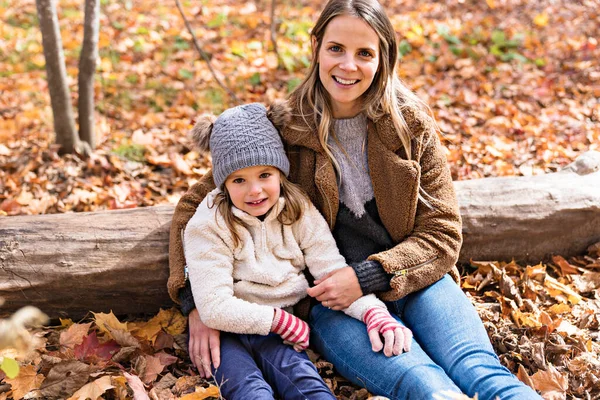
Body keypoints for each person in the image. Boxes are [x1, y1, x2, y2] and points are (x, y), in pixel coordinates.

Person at [168, 0, 543, 398]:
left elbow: (443, 231)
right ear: (316, 48)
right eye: (336, 49)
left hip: (418, 282)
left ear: (383, 58)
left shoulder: (410, 125)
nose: (348, 66)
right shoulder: (282, 127)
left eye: (364, 53)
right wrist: (196, 303)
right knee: (425, 386)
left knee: (482, 373)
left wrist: (368, 276)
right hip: (332, 307)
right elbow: (195, 205)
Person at [182, 102, 412, 400]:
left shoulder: (298, 209)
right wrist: (280, 321)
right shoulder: (209, 224)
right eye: (239, 180)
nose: (255, 191)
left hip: (280, 331)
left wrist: (372, 312)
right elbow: (214, 305)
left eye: (265, 175)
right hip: (227, 333)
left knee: (308, 386)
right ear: (223, 183)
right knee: (250, 390)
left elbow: (330, 270)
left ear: (280, 172)